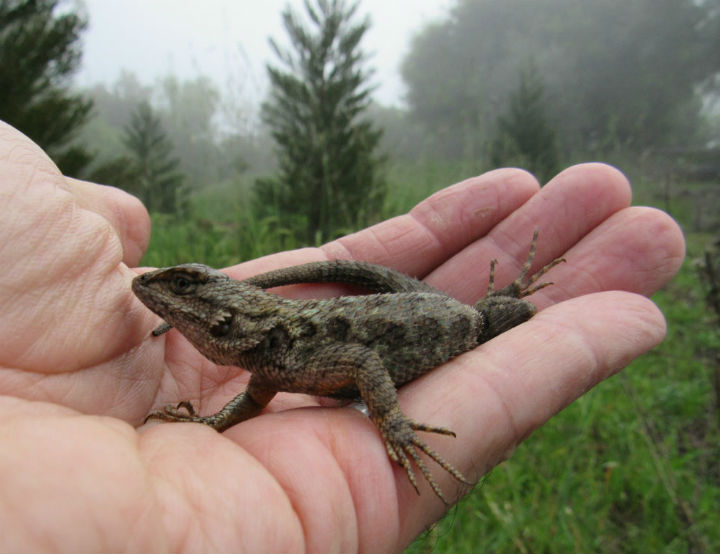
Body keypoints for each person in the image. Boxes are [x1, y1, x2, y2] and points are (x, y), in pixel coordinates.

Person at [0, 119, 685, 552]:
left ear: (228, 321)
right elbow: (254, 401)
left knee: (503, 319)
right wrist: (206, 423)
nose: (165, 299)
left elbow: (358, 357)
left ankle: (511, 295)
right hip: (396, 313)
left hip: (453, 324)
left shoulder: (286, 349)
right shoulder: (270, 358)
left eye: (185, 294)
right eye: (176, 295)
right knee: (361, 280)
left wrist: (393, 424)